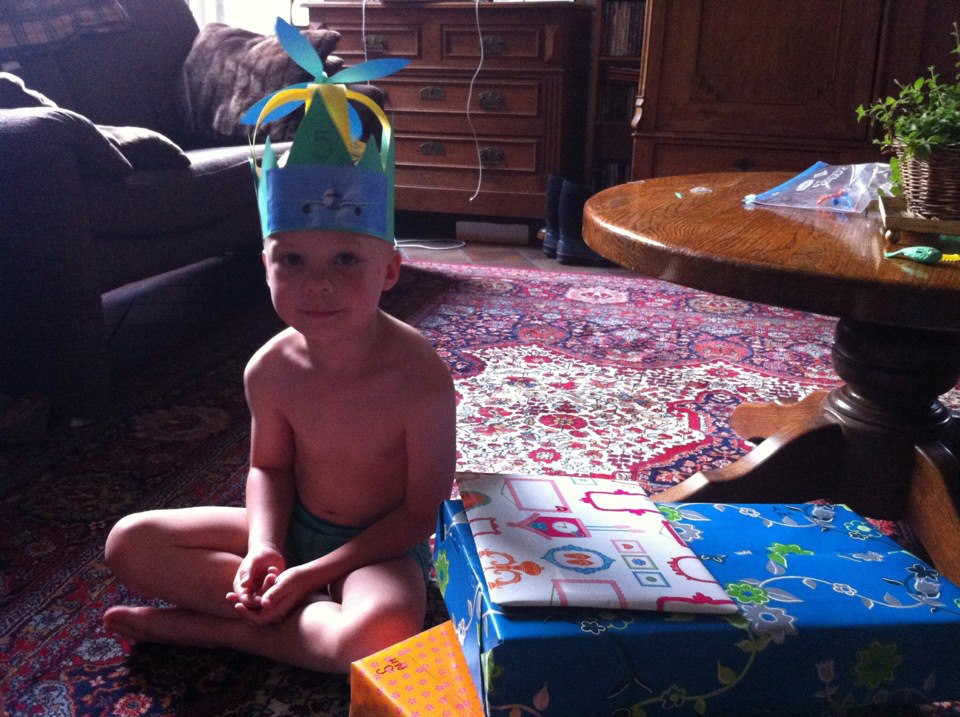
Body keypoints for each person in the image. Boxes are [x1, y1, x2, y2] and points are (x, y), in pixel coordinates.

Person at [102, 20, 456, 673]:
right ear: (263, 263)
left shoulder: (420, 376)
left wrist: (315, 571)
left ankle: (224, 630)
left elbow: (419, 512)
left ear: (392, 271)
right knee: (128, 542)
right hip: (290, 527)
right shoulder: (269, 369)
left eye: (346, 258)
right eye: (291, 258)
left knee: (382, 635)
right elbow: (269, 469)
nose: (317, 281)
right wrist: (267, 548)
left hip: (376, 550)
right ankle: (279, 608)